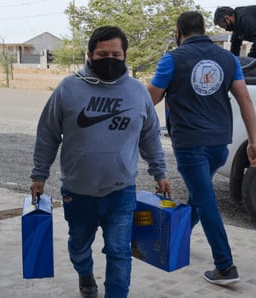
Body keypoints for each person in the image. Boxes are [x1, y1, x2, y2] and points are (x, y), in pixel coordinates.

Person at [30, 26, 170, 298]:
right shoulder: (68, 89)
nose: (110, 59)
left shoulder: (138, 92)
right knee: (79, 247)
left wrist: (160, 172)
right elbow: (47, 133)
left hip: (121, 191)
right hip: (77, 192)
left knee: (119, 251)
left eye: (116, 54)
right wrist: (39, 175)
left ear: (125, 55)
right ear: (90, 55)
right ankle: (85, 275)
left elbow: (150, 136)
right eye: (102, 53)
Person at [147, 11, 256, 286]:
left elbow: (148, 100)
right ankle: (177, 239)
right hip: (218, 145)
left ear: (178, 33)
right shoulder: (228, 58)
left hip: (190, 145)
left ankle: (225, 266)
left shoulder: (171, 60)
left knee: (206, 198)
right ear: (203, 30)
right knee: (199, 196)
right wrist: (254, 141)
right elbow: (244, 99)